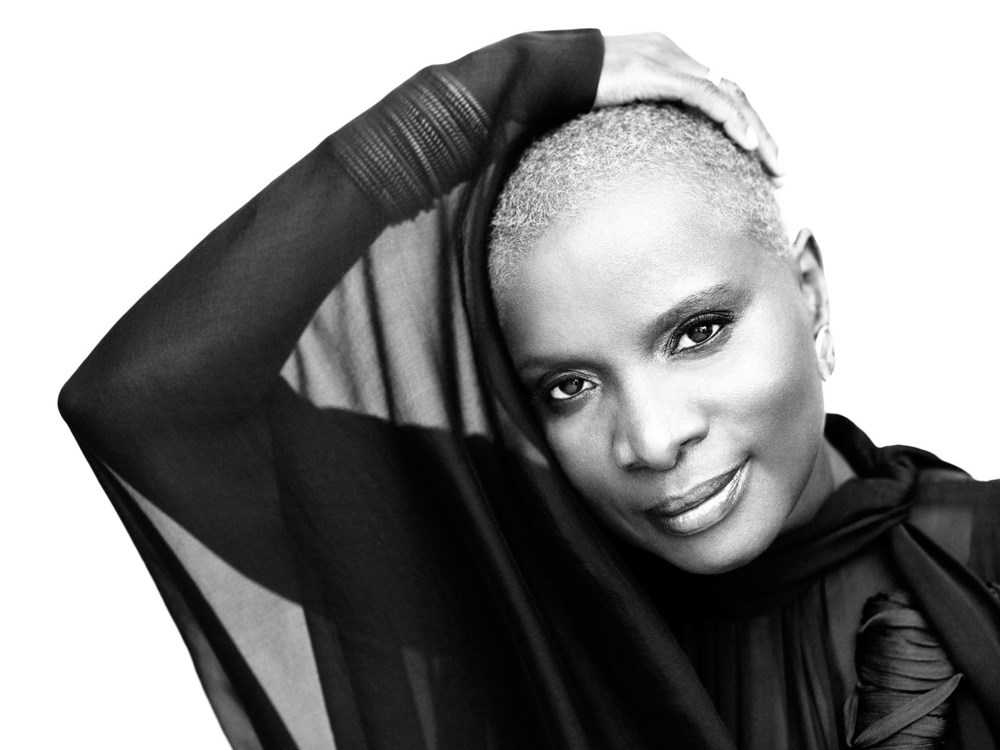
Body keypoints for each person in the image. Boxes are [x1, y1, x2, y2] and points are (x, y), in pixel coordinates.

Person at [58, 28, 999, 750]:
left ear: (812, 294)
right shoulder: (525, 619)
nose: (651, 439)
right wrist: (498, 88)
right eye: (569, 387)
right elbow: (142, 401)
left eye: (698, 332)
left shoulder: (985, 555)